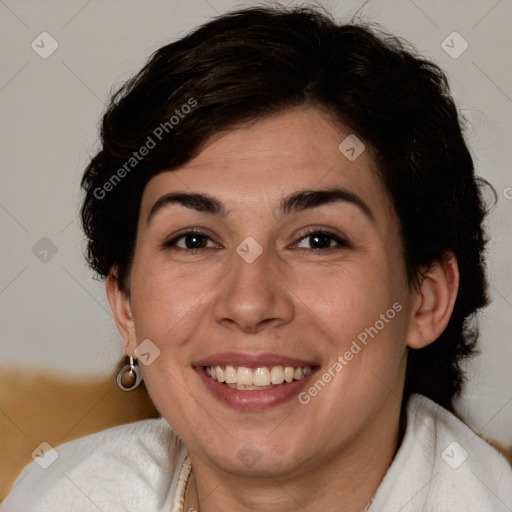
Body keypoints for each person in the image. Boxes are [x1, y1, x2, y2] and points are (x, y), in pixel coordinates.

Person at [3, 5, 511, 512]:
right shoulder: (56, 495)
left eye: (318, 241)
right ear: (127, 309)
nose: (249, 304)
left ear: (426, 298)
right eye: (194, 241)